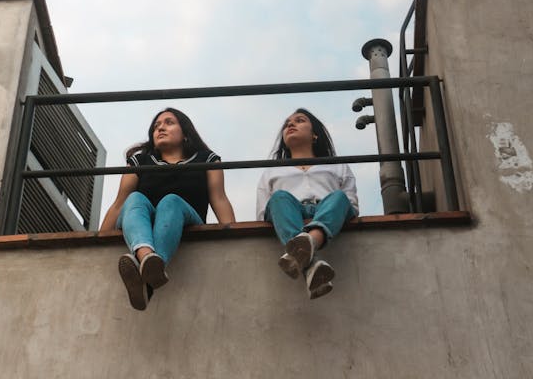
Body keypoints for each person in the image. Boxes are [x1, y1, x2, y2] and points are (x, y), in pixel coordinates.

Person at [101, 107, 235, 310]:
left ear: (185, 133)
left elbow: (219, 199)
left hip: (186, 220)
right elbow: (119, 203)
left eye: (169, 123)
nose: (161, 128)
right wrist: (95, 242)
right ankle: (148, 260)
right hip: (140, 220)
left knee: (170, 200)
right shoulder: (141, 160)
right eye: (156, 126)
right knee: (135, 198)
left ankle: (150, 269)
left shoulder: (206, 159)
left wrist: (236, 238)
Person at [256, 108, 358, 299]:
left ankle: (309, 244)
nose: (290, 125)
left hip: (326, 210)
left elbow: (350, 204)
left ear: (315, 135)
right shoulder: (271, 172)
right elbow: (263, 213)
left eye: (300, 120)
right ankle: (311, 261)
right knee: (278, 197)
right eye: (287, 124)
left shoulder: (337, 165)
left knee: (338, 197)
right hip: (288, 213)